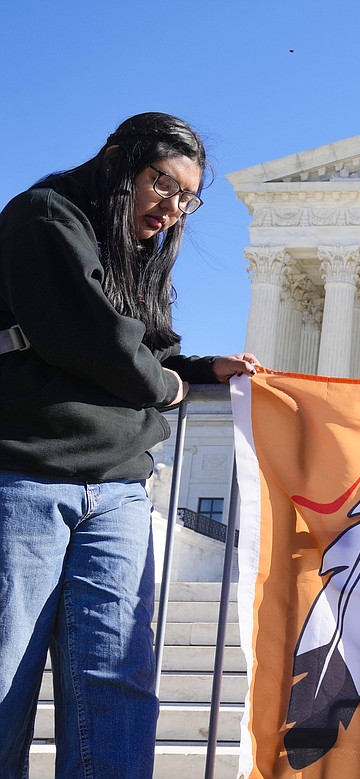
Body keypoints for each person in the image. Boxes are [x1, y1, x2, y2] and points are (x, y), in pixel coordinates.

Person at [0, 112, 258, 778]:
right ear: (118, 158)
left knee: (118, 689)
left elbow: (150, 348)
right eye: (161, 183)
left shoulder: (137, 254)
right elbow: (93, 339)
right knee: (4, 684)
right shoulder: (44, 217)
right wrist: (169, 388)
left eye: (186, 198)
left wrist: (200, 372)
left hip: (116, 491)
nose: (171, 208)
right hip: (26, 475)